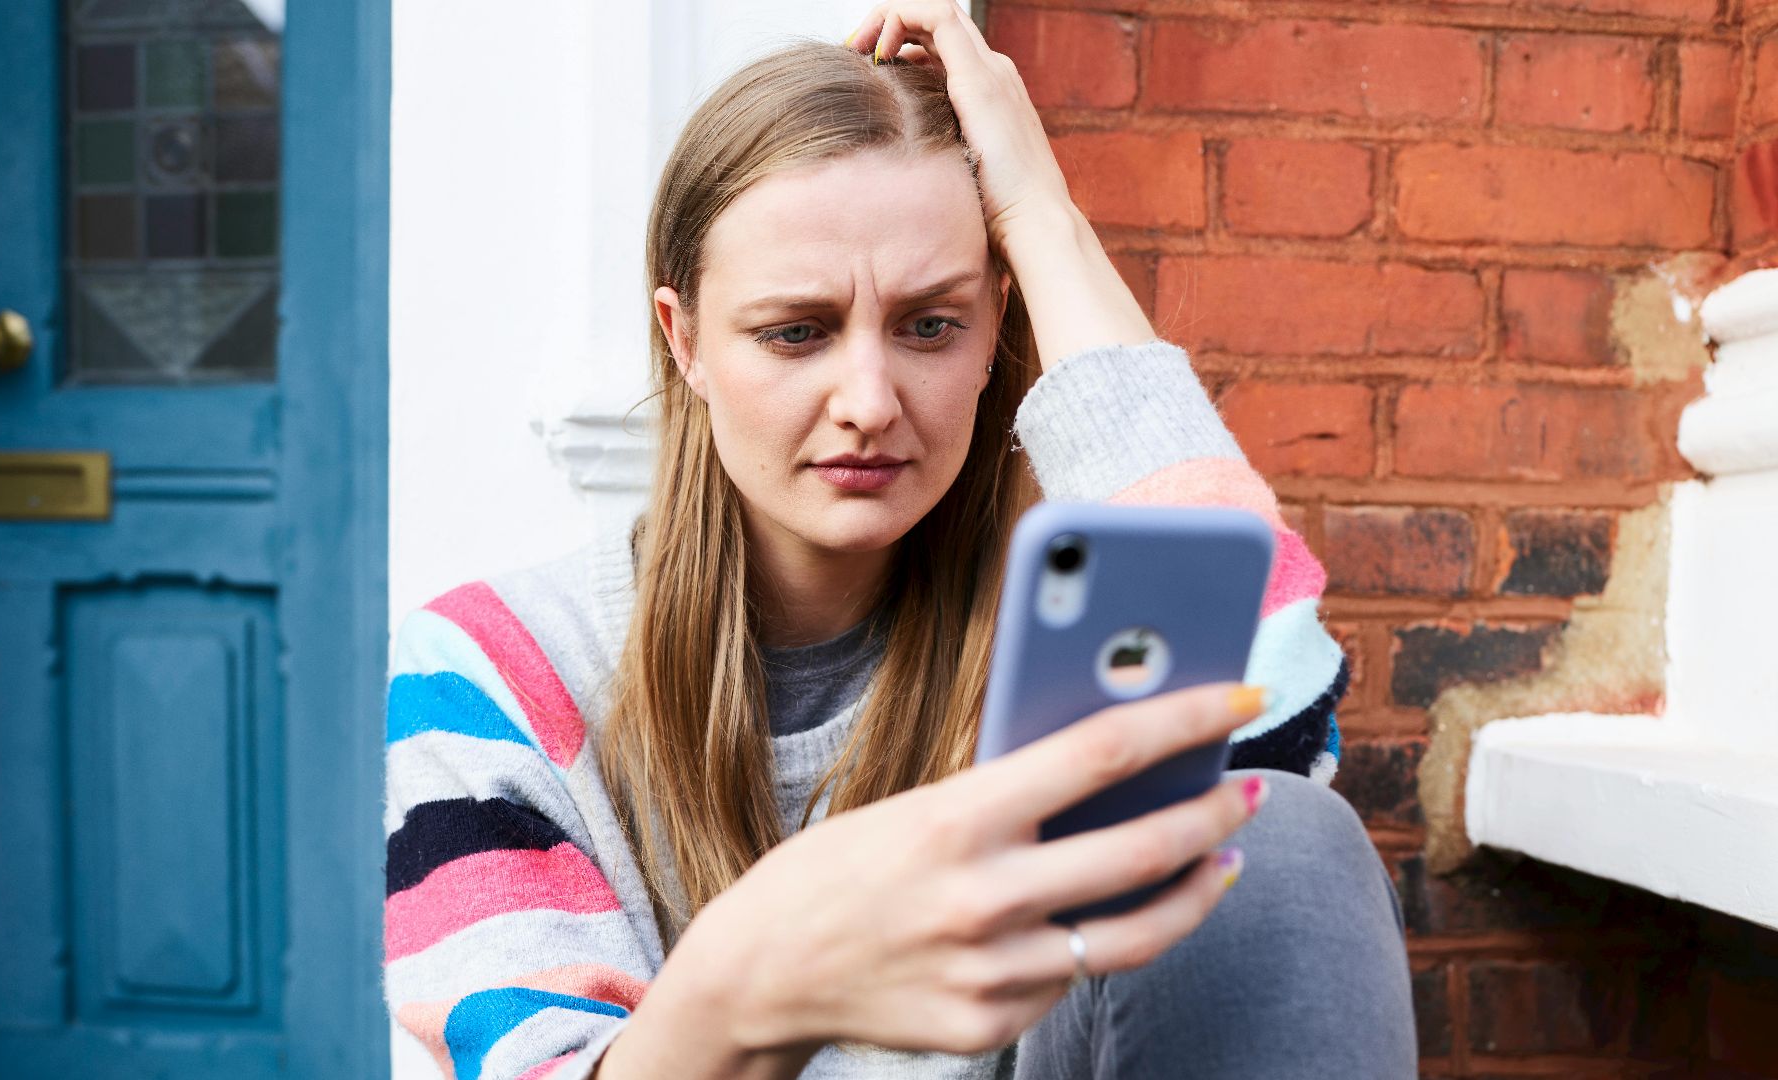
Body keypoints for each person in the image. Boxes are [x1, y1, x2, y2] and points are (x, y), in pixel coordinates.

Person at [382, 3, 1415, 1077]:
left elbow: (1268, 754)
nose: (869, 400)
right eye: (797, 331)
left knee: (1276, 834)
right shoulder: (492, 673)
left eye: (932, 324)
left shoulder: (1075, 653)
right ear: (682, 339)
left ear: (994, 331)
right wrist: (754, 976)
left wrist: (1044, 218)